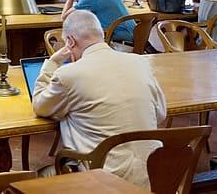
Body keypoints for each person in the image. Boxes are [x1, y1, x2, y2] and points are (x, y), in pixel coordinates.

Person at [32, 10, 166, 187]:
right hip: (154, 176)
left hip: (104, 181)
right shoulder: (140, 62)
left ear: (70, 41)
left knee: (37, 178)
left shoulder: (69, 74)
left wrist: (52, 63)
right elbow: (161, 114)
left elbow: (40, 106)